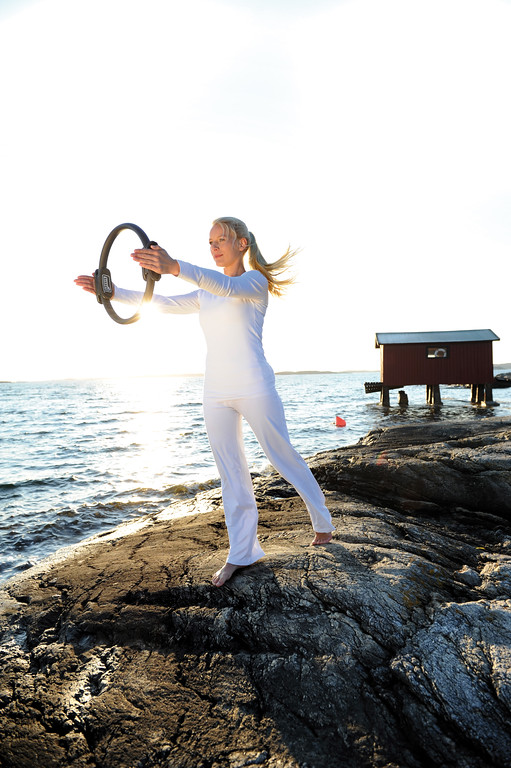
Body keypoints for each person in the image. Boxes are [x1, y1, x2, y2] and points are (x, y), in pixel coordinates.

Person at [75, 217, 335, 586]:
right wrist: (113, 292)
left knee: (282, 456)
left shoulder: (253, 282)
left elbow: (225, 286)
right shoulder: (205, 292)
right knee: (231, 473)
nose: (214, 247)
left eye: (220, 240)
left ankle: (323, 521)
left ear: (242, 244)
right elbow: (162, 303)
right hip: (215, 392)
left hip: (255, 387)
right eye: (210, 242)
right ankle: (243, 553)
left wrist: (174, 266)